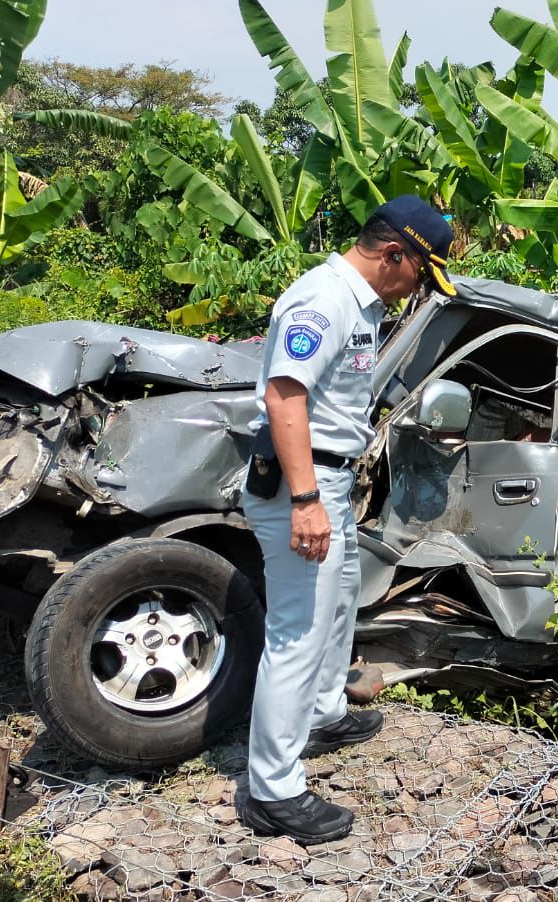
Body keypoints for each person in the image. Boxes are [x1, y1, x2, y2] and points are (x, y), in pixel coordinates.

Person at [239, 195, 456, 845]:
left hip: (329, 477)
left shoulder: (358, 302)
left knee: (334, 611)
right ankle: (272, 790)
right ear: (395, 254)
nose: (418, 285)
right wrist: (306, 501)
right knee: (298, 631)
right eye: (421, 271)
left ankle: (326, 713)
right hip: (301, 485)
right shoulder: (324, 300)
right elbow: (285, 395)